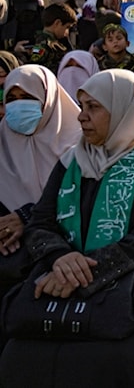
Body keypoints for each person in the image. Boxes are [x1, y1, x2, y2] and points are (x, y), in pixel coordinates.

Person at [0, 70, 134, 386]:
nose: (82, 117)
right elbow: (41, 221)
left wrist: (82, 273)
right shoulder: (72, 161)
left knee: (119, 357)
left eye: (94, 107)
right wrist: (61, 259)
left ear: (124, 108)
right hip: (66, 273)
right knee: (18, 353)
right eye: (81, 106)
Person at [0, 66, 82, 298]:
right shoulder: (2, 140)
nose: (18, 106)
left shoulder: (81, 145)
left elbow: (85, 202)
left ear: (48, 99)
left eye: (27, 97)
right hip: (12, 253)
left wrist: (28, 217)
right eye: (11, 99)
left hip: (64, 250)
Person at [27, 3, 75, 73]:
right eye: (67, 27)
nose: (67, 32)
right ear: (57, 23)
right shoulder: (42, 44)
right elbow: (35, 66)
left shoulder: (56, 42)